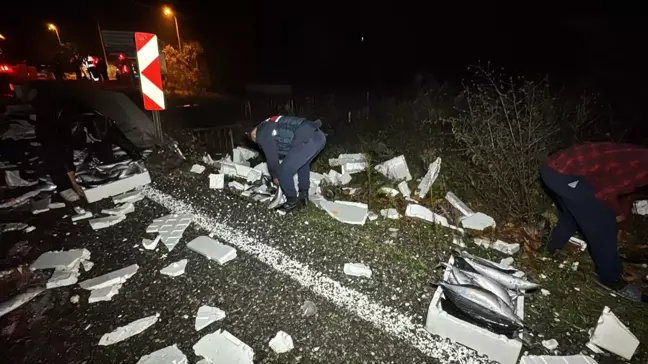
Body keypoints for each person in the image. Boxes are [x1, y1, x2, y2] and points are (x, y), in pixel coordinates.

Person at [541, 142, 648, 304]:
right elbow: (606, 191)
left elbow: (619, 187)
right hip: (565, 174)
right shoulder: (643, 167)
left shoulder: (640, 156)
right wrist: (618, 214)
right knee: (604, 227)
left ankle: (550, 247)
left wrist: (622, 211)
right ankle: (610, 279)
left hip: (553, 169)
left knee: (572, 215)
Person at [249, 115, 326, 212]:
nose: (260, 144)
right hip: (319, 137)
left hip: (307, 139)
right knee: (303, 164)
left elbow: (272, 159)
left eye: (257, 142)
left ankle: (291, 202)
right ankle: (303, 197)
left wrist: (275, 176)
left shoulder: (262, 133)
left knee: (283, 171)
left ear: (254, 135)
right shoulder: (270, 124)